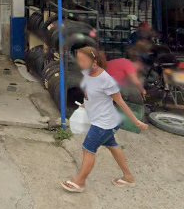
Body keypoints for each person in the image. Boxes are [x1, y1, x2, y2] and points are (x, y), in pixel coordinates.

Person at [61, 47, 148, 194]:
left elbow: (121, 102)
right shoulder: (87, 73)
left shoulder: (107, 80)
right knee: (112, 145)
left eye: (83, 60)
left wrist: (136, 121)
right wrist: (84, 104)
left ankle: (79, 182)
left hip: (104, 122)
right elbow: (90, 93)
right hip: (100, 119)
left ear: (94, 61)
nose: (80, 63)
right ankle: (128, 177)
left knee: (88, 149)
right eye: (78, 59)